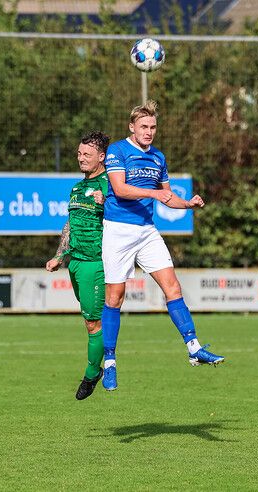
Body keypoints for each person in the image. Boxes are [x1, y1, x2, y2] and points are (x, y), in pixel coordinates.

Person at [100, 100, 224, 391]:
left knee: (173, 288)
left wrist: (188, 204)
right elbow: (120, 189)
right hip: (118, 230)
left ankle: (194, 348)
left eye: (153, 127)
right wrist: (155, 194)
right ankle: (110, 363)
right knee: (115, 298)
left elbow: (168, 196)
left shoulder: (158, 157)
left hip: (146, 230)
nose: (149, 131)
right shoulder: (117, 151)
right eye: (144, 126)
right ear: (132, 127)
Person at [46, 131, 110, 400]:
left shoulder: (110, 184)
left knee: (93, 324)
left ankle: (93, 372)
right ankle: (101, 364)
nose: (80, 158)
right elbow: (70, 224)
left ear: (101, 157)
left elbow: (128, 215)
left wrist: (108, 203)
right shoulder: (76, 187)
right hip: (75, 262)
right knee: (89, 320)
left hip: (96, 262)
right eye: (79, 153)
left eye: (87, 154)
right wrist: (59, 256)